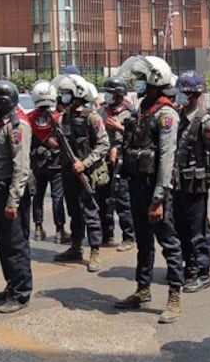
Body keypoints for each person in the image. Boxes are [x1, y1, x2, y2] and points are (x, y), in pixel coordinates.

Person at [114, 55, 185, 324]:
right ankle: (142, 290)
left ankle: (174, 295)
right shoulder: (143, 110)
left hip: (156, 188)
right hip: (136, 184)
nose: (139, 85)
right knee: (143, 242)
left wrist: (158, 198)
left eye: (143, 80)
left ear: (156, 81)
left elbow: (166, 159)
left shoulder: (166, 114)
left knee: (169, 243)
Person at [51, 74, 110, 272]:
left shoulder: (91, 116)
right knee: (74, 211)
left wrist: (85, 164)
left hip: (86, 172)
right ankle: (76, 247)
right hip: (68, 171)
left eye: (67, 95)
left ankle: (95, 251)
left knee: (90, 212)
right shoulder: (64, 116)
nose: (63, 98)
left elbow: (103, 144)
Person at [0, 80, 33, 313]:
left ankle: (21, 293)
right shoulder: (2, 124)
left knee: (16, 245)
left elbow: (21, 167)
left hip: (12, 193)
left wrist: (13, 201)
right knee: (3, 242)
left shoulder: (17, 126)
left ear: (3, 103)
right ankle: (11, 284)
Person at [172, 71, 210, 293]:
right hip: (179, 182)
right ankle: (189, 266)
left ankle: (203, 271)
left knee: (198, 228)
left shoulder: (203, 120)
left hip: (196, 183)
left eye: (183, 93)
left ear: (193, 95)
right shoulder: (178, 117)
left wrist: (205, 173)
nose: (179, 97)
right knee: (181, 225)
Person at [97, 77, 136, 252]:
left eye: (111, 92)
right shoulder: (102, 110)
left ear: (119, 94)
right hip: (103, 160)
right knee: (103, 197)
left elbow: (137, 136)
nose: (108, 95)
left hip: (121, 161)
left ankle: (128, 236)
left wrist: (121, 128)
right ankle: (107, 233)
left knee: (122, 199)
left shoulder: (130, 111)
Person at [27, 80, 68, 243]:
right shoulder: (58, 118)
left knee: (38, 196)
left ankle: (38, 228)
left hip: (37, 163)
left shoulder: (29, 118)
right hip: (56, 163)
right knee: (57, 197)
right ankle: (60, 231)